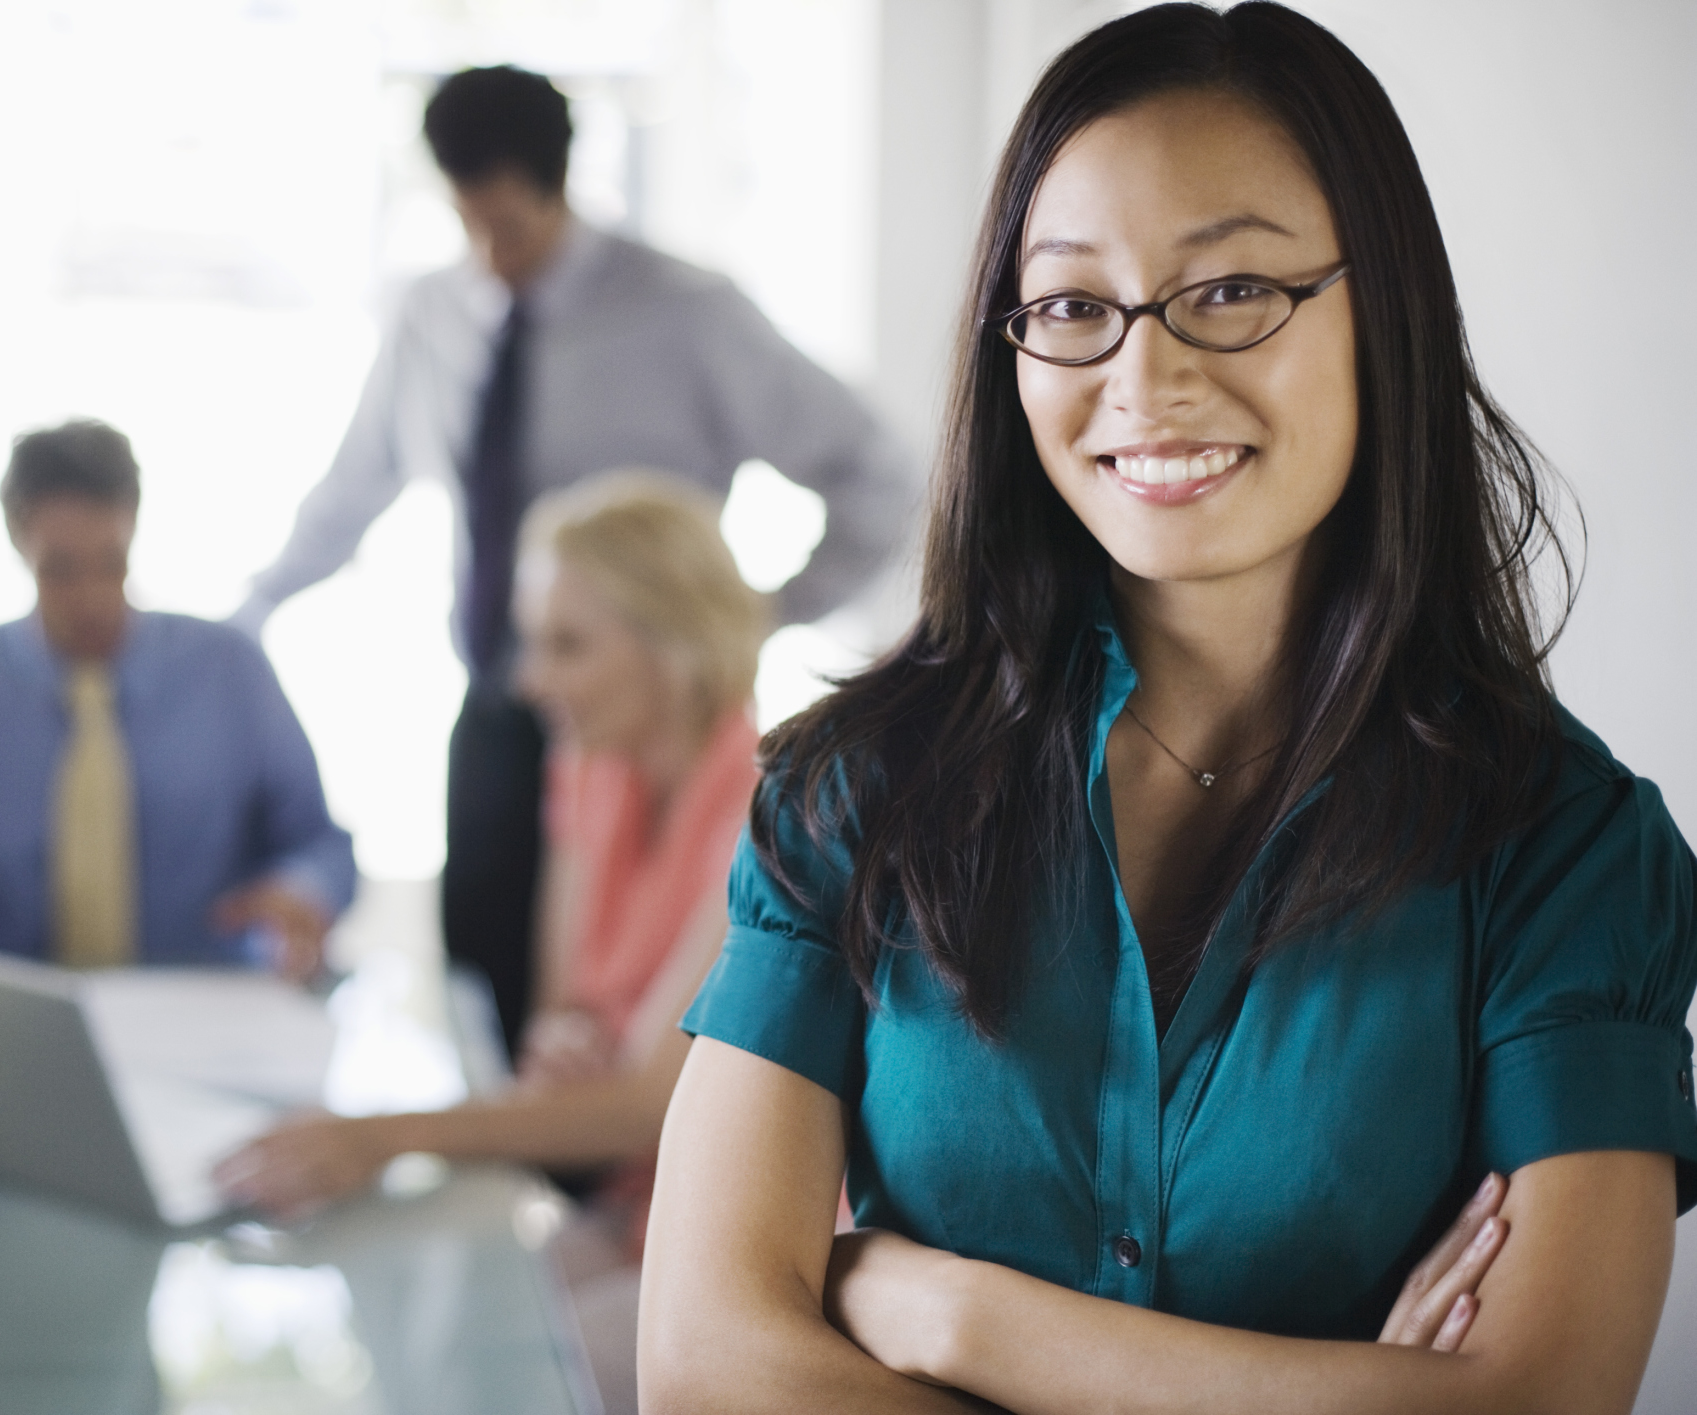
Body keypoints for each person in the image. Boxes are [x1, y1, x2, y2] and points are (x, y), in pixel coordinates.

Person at [641, 5, 1697, 1413]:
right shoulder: (849, 791)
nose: (1143, 377)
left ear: (1381, 309)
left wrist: (949, 1310)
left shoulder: (1566, 848)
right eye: (1074, 305)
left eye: (1232, 289)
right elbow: (707, 1369)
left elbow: (1541, 1399)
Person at [228, 65, 914, 1056]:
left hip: (650, 721)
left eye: (504, 226)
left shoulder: (687, 312)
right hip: (505, 710)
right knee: (500, 1007)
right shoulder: (431, 312)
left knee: (662, 1026)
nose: (486, 256)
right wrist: (245, 617)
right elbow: (352, 489)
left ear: (556, 188)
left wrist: (746, 618)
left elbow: (874, 473)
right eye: (465, 224)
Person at [217, 473, 767, 1414]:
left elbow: (640, 1105)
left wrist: (381, 1137)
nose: (529, 680)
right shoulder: (589, 767)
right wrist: (566, 1045)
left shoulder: (769, 815)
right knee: (430, 1326)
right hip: (634, 1207)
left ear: (672, 647)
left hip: (747, 1239)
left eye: (568, 644)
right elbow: (564, 1024)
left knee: (505, 1372)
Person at [0, 420, 355, 975]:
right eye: (60, 570)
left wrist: (301, 892)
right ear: (18, 540)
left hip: (206, 1007)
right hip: (20, 1016)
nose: (90, 600)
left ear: (133, 528)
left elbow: (321, 846)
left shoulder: (231, 672)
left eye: (111, 564)